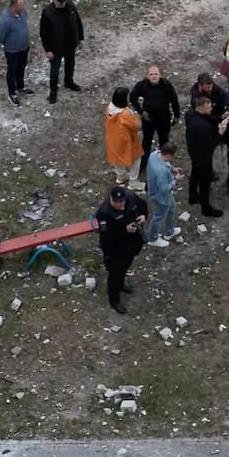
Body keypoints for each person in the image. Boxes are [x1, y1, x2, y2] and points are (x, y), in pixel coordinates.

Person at [95, 184, 149, 313]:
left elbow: (142, 205)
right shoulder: (104, 213)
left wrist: (143, 215)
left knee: (126, 265)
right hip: (115, 248)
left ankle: (121, 283)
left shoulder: (131, 198)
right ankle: (115, 300)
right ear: (111, 199)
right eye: (116, 202)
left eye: (122, 201)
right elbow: (107, 234)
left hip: (132, 243)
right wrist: (124, 229)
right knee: (115, 273)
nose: (120, 204)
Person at [130, 63, 182, 182]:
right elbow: (133, 97)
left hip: (164, 116)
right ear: (147, 76)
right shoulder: (142, 85)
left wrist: (176, 115)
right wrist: (141, 111)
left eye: (156, 74)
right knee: (147, 140)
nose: (154, 76)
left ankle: (165, 160)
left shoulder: (166, 85)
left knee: (164, 139)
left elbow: (174, 100)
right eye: (151, 74)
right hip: (149, 117)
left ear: (160, 75)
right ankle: (144, 162)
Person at [39, 0, 85, 104]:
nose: (62, 3)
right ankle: (53, 92)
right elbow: (43, 33)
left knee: (70, 64)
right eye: (60, 2)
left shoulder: (70, 6)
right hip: (56, 47)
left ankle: (69, 82)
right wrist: (47, 49)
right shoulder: (48, 12)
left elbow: (77, 22)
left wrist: (79, 38)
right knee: (54, 71)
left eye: (63, 1)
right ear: (54, 0)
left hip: (70, 44)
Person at [184, 93, 225, 218]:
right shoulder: (202, 127)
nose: (211, 109)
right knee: (205, 182)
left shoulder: (191, 115)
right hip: (203, 157)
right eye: (208, 108)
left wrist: (221, 117)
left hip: (193, 151)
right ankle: (206, 208)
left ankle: (192, 196)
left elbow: (209, 118)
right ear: (201, 107)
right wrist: (220, 132)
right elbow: (211, 144)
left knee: (195, 175)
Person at [0, 0, 32, 105]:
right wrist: (11, 43)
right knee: (12, 71)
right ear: (14, 5)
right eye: (21, 5)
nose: (23, 7)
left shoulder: (23, 13)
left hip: (24, 47)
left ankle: (20, 86)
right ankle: (12, 93)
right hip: (12, 50)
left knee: (21, 67)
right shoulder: (5, 20)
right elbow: (0, 37)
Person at [105, 87, 143, 187]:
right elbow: (136, 125)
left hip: (113, 139)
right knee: (136, 158)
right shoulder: (125, 113)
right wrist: (137, 116)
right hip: (126, 140)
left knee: (117, 158)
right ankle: (133, 182)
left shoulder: (110, 108)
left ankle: (120, 177)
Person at [143, 142, 179, 245]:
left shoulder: (154, 154)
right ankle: (152, 238)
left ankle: (169, 231)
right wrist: (175, 180)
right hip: (160, 196)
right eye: (174, 156)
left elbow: (167, 165)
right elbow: (164, 188)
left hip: (155, 189)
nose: (175, 158)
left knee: (172, 207)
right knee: (158, 216)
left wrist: (173, 170)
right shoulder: (161, 171)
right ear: (168, 155)